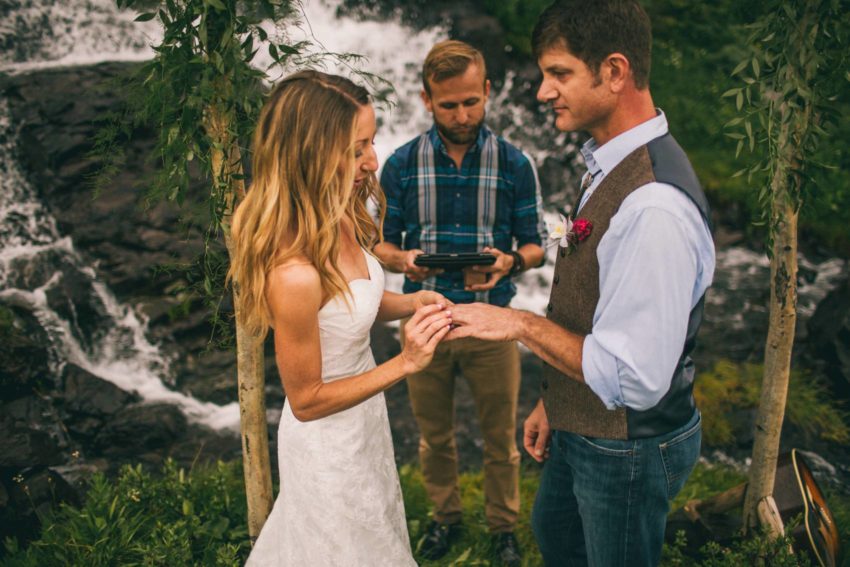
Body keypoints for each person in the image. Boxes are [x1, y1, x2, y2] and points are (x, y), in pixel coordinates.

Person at [447, 2, 716, 565]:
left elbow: (635, 379)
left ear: (614, 72)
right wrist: (557, 403)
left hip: (626, 448)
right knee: (556, 535)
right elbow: (597, 312)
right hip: (583, 425)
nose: (544, 92)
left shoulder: (654, 209)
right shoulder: (610, 162)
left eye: (559, 74)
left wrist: (518, 323)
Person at [229, 70, 453, 567]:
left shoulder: (342, 213)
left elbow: (351, 307)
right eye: (356, 150)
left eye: (370, 142)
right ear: (310, 152)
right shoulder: (293, 273)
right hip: (324, 443)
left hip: (363, 420)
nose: (372, 161)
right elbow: (306, 401)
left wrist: (413, 303)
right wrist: (406, 363)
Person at [373, 40, 546, 565]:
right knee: (435, 438)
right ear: (427, 100)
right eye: (449, 105)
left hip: (492, 323)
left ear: (488, 91)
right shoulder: (400, 165)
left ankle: (503, 529)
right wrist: (404, 261)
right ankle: (445, 520)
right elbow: (378, 243)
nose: (463, 114)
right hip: (423, 321)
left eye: (472, 101)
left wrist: (508, 262)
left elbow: (535, 244)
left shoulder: (515, 164)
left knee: (501, 440)